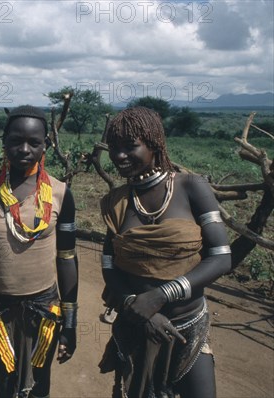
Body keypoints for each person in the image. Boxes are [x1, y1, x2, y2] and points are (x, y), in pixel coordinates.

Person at [98, 107, 231, 397]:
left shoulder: (191, 186)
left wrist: (161, 295)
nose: (119, 156)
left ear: (155, 143)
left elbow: (221, 257)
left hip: (189, 327)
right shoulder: (117, 201)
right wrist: (138, 308)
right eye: (114, 148)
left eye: (130, 146)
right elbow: (109, 263)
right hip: (135, 326)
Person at [0, 105, 79, 398]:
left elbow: (66, 259)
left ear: (45, 146)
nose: (24, 149)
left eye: (34, 142)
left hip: (45, 308)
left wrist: (71, 322)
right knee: (6, 384)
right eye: (16, 140)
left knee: (40, 385)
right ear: (4, 141)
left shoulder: (60, 193)